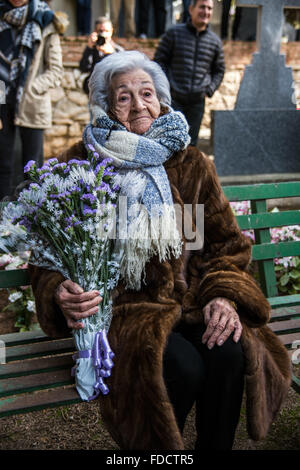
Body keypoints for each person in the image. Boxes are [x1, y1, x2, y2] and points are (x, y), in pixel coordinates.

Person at [29, 50, 291, 451]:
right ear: (105, 106)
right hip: (124, 311)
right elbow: (46, 256)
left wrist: (222, 293)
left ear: (162, 99)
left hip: (192, 299)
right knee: (181, 366)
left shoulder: (192, 164)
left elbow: (226, 245)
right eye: (123, 97)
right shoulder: (80, 165)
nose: (138, 105)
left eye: (147, 93)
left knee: (229, 354)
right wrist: (58, 288)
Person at [0, 0, 64, 200]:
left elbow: (56, 71)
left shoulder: (45, 20)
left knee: (32, 167)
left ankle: (29, 220)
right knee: (2, 164)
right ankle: (2, 217)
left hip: (32, 101)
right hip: (2, 98)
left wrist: (32, 88)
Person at [154, 0, 225, 146]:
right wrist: (166, 87)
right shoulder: (173, 33)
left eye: (209, 8)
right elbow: (159, 62)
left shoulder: (215, 41)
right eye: (202, 7)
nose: (206, 11)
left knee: (191, 148)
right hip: (173, 101)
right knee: (169, 143)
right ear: (191, 9)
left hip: (197, 103)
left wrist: (209, 90)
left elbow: (219, 70)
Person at [79, 17, 123, 95]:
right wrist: (89, 48)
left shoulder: (118, 50)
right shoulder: (92, 49)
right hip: (95, 92)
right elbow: (83, 68)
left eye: (106, 31)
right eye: (101, 31)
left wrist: (111, 53)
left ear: (112, 31)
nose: (104, 34)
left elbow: (124, 71)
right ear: (95, 31)